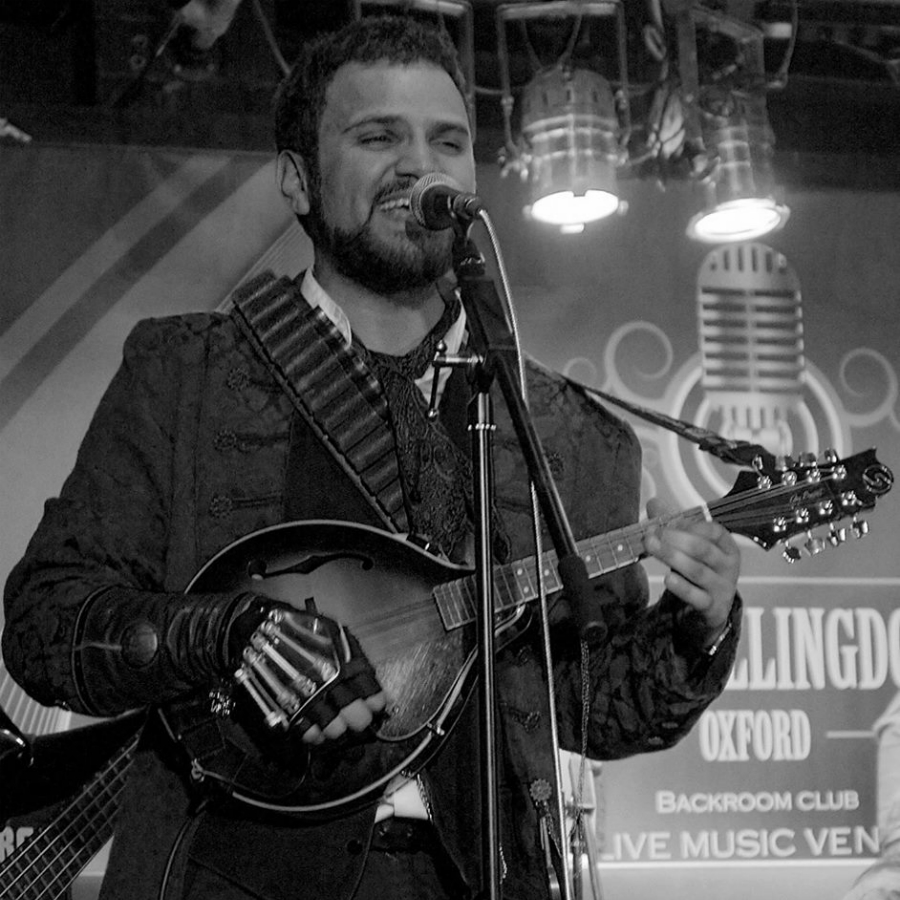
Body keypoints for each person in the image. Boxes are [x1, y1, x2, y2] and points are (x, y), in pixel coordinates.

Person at [2, 14, 742, 900]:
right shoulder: (186, 374)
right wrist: (227, 635)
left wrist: (699, 624)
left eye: (448, 141)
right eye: (378, 136)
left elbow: (592, 709)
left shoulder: (563, 428)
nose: (418, 166)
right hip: (231, 875)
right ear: (297, 179)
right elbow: (45, 626)